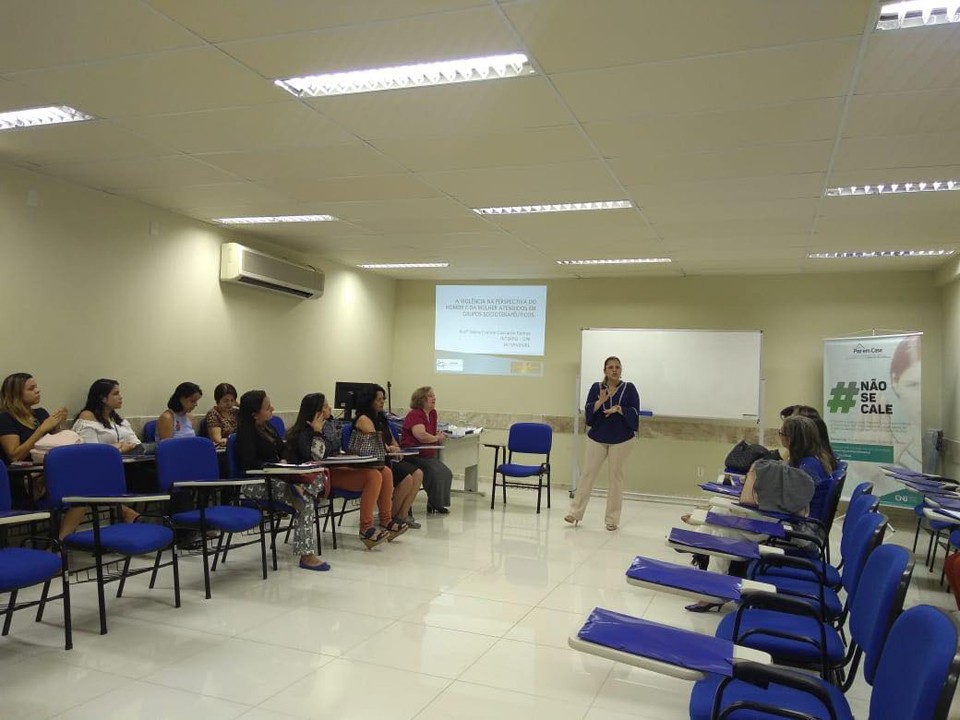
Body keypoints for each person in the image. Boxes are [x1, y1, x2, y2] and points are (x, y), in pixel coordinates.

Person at [684, 414, 823, 612]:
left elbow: (790, 505)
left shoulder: (807, 467)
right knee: (723, 507)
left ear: (791, 438)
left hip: (794, 529)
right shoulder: (804, 460)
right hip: (786, 519)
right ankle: (699, 542)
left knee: (726, 530)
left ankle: (713, 591)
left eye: (781, 433)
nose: (780, 437)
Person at [234, 390, 329, 571]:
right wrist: (276, 467)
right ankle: (306, 555)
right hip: (256, 484)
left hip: (277, 477)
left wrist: (283, 461)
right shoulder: (245, 433)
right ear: (254, 414)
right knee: (304, 500)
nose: (273, 409)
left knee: (314, 482)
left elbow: (283, 447)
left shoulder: (267, 427)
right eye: (268, 407)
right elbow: (250, 463)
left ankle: (299, 488)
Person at [284, 392, 394, 548]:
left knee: (386, 472)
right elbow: (317, 457)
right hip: (321, 476)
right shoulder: (304, 432)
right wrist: (317, 432)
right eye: (325, 406)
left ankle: (386, 520)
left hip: (335, 468)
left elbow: (335, 449)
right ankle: (366, 528)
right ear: (317, 412)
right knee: (373, 476)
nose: (329, 408)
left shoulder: (329, 425)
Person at [565, 356, 641, 531]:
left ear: (621, 370)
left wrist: (620, 409)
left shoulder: (629, 389)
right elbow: (589, 416)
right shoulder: (596, 388)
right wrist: (600, 402)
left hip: (621, 440)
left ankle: (612, 520)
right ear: (605, 370)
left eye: (617, 367)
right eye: (611, 367)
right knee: (587, 475)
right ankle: (575, 513)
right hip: (597, 438)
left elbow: (635, 414)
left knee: (615, 479)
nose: (614, 370)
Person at [64, 378, 142, 536]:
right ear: (102, 398)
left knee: (150, 468)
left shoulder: (116, 419)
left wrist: (116, 448)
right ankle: (126, 512)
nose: (121, 397)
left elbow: (135, 443)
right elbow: (91, 451)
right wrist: (119, 448)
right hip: (93, 469)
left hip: (123, 465)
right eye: (116, 393)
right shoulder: (87, 417)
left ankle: (129, 518)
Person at [351, 386, 418, 534]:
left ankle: (392, 517)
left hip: (385, 460)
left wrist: (395, 446)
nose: (382, 402)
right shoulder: (363, 419)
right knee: (405, 479)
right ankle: (388, 518)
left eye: (383, 399)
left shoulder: (381, 418)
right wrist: (389, 448)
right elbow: (376, 440)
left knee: (413, 474)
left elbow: (392, 440)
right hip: (370, 462)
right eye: (379, 399)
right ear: (370, 401)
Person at [0, 373, 68, 508]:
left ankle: (65, 530)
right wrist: (41, 430)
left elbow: (56, 445)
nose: (37, 390)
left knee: (84, 484)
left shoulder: (41, 413)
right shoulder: (5, 418)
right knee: (78, 485)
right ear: (16, 394)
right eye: (31, 389)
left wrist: (59, 425)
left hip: (47, 471)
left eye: (36, 387)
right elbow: (15, 455)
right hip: (22, 478)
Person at [401, 386, 453, 515]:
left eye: (433, 395)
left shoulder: (432, 413)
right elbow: (421, 436)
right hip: (414, 454)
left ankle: (436, 503)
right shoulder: (415, 414)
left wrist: (438, 436)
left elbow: (429, 432)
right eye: (430, 396)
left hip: (427, 454)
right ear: (421, 399)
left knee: (446, 472)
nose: (434, 398)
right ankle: (435, 502)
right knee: (435, 472)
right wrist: (436, 437)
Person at [203, 382, 238, 447]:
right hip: (222, 450)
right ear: (218, 400)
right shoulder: (213, 414)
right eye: (226, 401)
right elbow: (218, 441)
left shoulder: (236, 411)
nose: (229, 403)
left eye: (232, 400)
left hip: (236, 446)